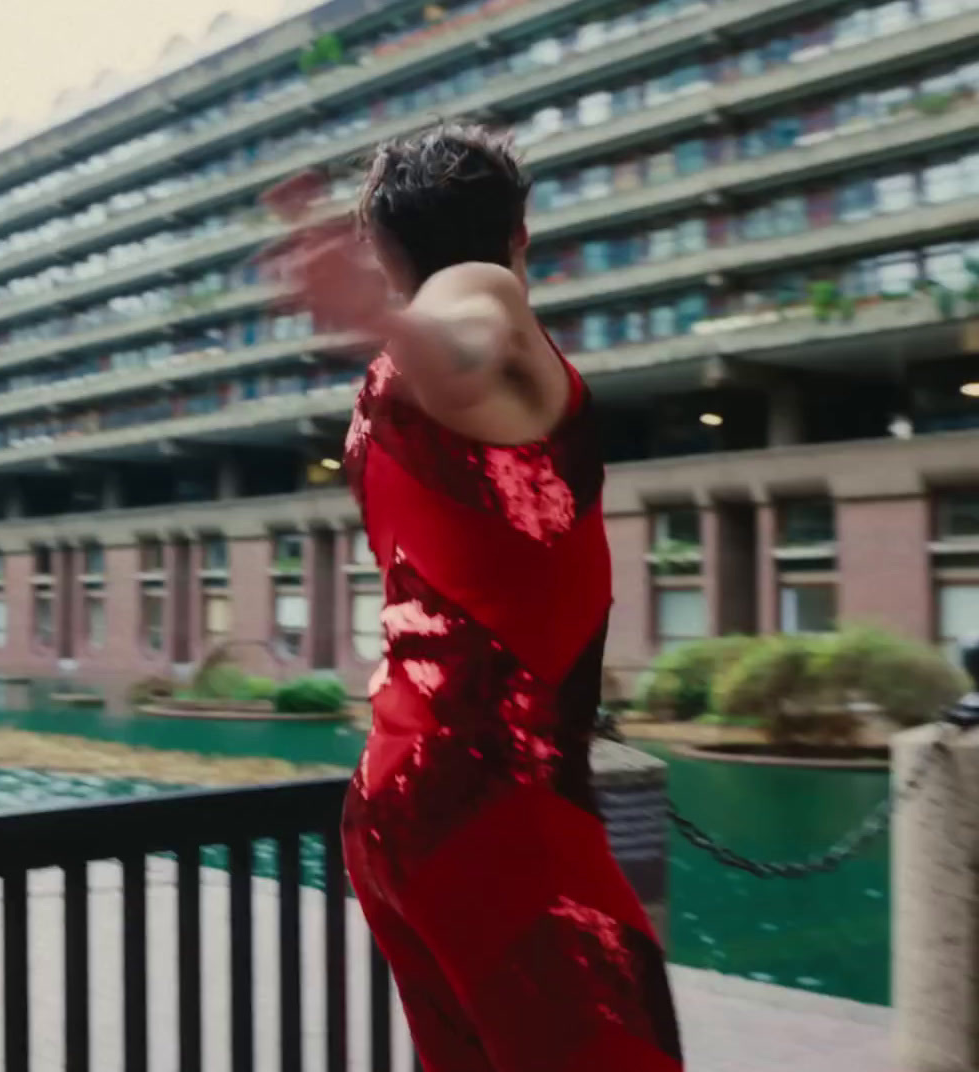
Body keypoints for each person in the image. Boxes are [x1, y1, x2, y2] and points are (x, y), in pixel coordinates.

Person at [266, 125, 683, 1072]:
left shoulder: (380, 398)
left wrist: (380, 314)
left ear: (384, 244)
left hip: (398, 808)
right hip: (504, 809)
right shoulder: (483, 293)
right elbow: (470, 348)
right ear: (520, 233)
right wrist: (385, 313)